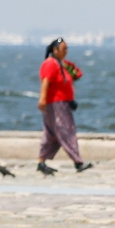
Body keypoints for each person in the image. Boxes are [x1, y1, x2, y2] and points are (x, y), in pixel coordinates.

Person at [37, 38, 92, 173]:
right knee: (66, 131)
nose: (66, 52)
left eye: (67, 49)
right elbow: (46, 82)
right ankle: (78, 162)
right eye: (63, 49)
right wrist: (42, 99)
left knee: (52, 134)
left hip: (62, 103)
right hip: (56, 104)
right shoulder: (50, 64)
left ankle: (41, 162)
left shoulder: (59, 64)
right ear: (55, 50)